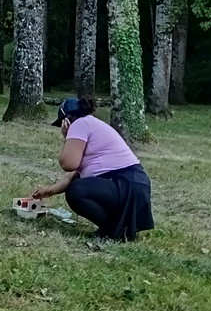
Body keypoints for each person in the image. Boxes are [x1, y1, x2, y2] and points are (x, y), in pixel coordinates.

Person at [32, 97, 154, 242]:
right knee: (79, 184)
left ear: (67, 120)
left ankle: (114, 230)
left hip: (125, 184)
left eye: (62, 124)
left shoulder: (80, 124)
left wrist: (68, 138)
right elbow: (72, 174)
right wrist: (49, 191)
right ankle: (119, 230)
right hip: (135, 185)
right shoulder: (92, 124)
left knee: (76, 191)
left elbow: (68, 164)